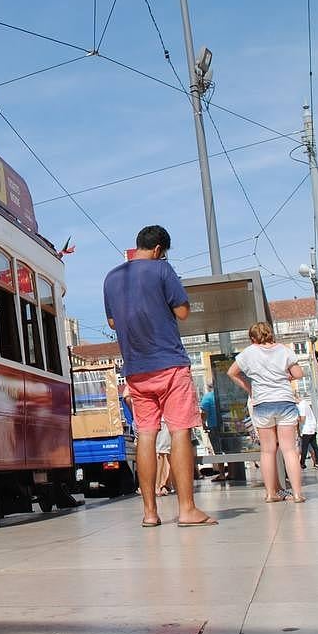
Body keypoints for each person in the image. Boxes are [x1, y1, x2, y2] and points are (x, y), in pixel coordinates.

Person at [103, 225, 217, 528]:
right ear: (158, 250)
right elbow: (182, 312)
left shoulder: (111, 278)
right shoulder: (162, 270)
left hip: (136, 370)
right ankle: (187, 509)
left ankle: (150, 513)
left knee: (146, 435)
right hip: (169, 363)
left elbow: (113, 322)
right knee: (180, 431)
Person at [228, 322, 307, 503]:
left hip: (262, 403)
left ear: (252, 338)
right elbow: (299, 373)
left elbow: (232, 372)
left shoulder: (248, 352)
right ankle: (296, 493)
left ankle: (271, 493)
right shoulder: (284, 350)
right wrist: (286, 376)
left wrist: (249, 388)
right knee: (289, 449)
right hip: (285, 401)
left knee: (267, 451)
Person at [297, 396, 318, 468]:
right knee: (315, 447)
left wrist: (296, 418)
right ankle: (317, 463)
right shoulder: (306, 403)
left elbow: (303, 419)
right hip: (313, 427)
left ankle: (302, 463)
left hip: (306, 429)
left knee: (304, 447)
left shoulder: (301, 405)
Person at [154, 422, 173, 495]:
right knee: (167, 453)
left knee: (160, 452)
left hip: (161, 421)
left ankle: (158, 485)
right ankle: (166, 484)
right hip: (169, 421)